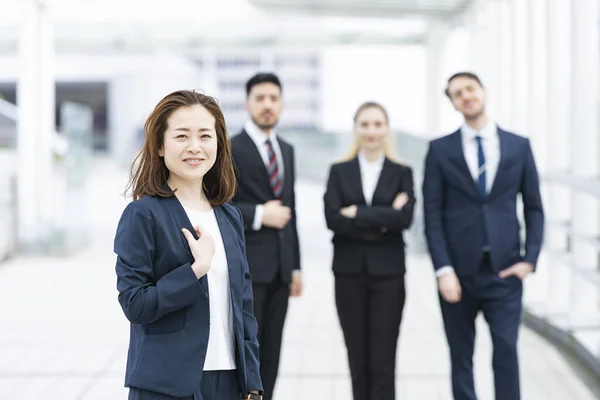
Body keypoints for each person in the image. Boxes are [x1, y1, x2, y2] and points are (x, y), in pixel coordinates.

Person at [114, 90, 263, 400]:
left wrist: (253, 382)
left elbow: (244, 307)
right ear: (159, 146)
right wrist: (196, 270)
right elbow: (135, 304)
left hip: (230, 381)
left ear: (219, 145)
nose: (195, 147)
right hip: (167, 384)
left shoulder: (229, 216)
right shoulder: (143, 214)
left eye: (205, 136)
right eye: (182, 136)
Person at [422, 72, 544, 400]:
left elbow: (533, 206)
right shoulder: (439, 150)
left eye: (470, 89)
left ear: (483, 92)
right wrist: (443, 269)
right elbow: (431, 214)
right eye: (457, 93)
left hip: (505, 270)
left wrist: (529, 259)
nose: (466, 96)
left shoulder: (519, 146)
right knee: (461, 356)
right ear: (452, 102)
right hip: (457, 274)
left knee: (506, 351)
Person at [323, 102, 415, 400]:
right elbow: (333, 219)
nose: (371, 131)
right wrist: (384, 216)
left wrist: (357, 214)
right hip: (349, 273)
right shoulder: (339, 171)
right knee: (357, 357)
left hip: (389, 274)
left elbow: (405, 219)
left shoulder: (402, 172)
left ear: (387, 129)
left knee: (384, 358)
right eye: (365, 124)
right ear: (356, 128)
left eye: (378, 124)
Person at [230, 72, 302, 400]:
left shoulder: (286, 149)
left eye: (274, 98)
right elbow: (219, 205)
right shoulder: (231, 148)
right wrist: (259, 214)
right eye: (260, 98)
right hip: (247, 268)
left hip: (281, 272)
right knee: (246, 352)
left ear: (282, 104)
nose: (267, 105)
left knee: (273, 354)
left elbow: (291, 211)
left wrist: (296, 267)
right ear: (247, 104)